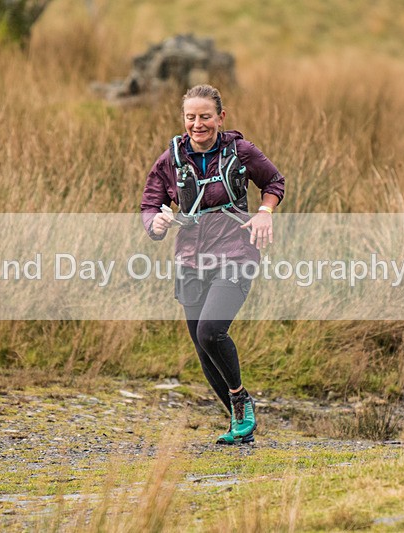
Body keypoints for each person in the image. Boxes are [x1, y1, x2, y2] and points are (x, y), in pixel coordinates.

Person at [140, 84, 285, 444]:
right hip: (191, 259)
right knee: (203, 348)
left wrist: (265, 212)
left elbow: (274, 181)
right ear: (183, 120)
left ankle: (240, 401)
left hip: (236, 251)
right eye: (191, 117)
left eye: (205, 116)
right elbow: (149, 206)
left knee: (210, 331)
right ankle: (241, 427)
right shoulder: (170, 159)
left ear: (221, 117)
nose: (198, 124)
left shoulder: (241, 151)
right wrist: (154, 224)